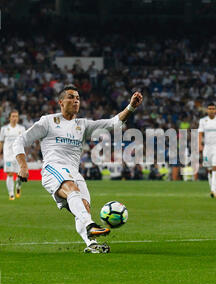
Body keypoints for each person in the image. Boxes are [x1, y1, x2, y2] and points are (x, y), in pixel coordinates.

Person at [13, 85, 143, 253]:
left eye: (78, 98)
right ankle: (90, 226)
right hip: (53, 168)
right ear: (61, 102)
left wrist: (131, 106)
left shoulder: (83, 125)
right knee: (72, 190)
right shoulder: (48, 121)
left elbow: (113, 123)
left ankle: (91, 244)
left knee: (83, 207)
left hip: (74, 172)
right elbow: (20, 141)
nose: (75, 101)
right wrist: (23, 166)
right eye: (71, 97)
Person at [0, 110, 26, 200]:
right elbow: (0, 142)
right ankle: (11, 194)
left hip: (18, 155)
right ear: (9, 118)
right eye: (13, 116)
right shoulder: (4, 129)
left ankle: (18, 187)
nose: (14, 118)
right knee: (9, 174)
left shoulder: (22, 129)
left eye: (16, 116)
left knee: (19, 175)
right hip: (8, 155)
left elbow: (24, 142)